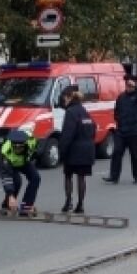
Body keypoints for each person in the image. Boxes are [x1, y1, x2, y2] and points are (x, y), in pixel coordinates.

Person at [103, 74, 137, 184]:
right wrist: (119, 120)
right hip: (122, 130)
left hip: (135, 130)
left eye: (130, 85)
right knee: (117, 151)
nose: (128, 87)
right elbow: (117, 111)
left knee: (135, 154)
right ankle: (114, 176)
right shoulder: (121, 97)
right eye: (126, 85)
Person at [58, 85, 96, 214]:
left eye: (64, 98)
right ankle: (80, 205)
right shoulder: (84, 110)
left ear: (69, 97)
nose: (64, 101)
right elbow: (93, 128)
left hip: (74, 150)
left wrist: (62, 150)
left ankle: (68, 202)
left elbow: (67, 134)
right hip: (87, 148)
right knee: (81, 177)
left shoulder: (70, 112)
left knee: (68, 175)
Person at [0, 126, 40, 215]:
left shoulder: (31, 142)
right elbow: (6, 176)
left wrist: (32, 157)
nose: (17, 149)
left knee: (35, 177)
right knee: (17, 181)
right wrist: (10, 195)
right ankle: (7, 204)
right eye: (15, 147)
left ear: (25, 144)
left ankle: (26, 206)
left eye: (20, 147)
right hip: (11, 163)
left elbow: (35, 152)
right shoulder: (5, 151)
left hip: (24, 161)